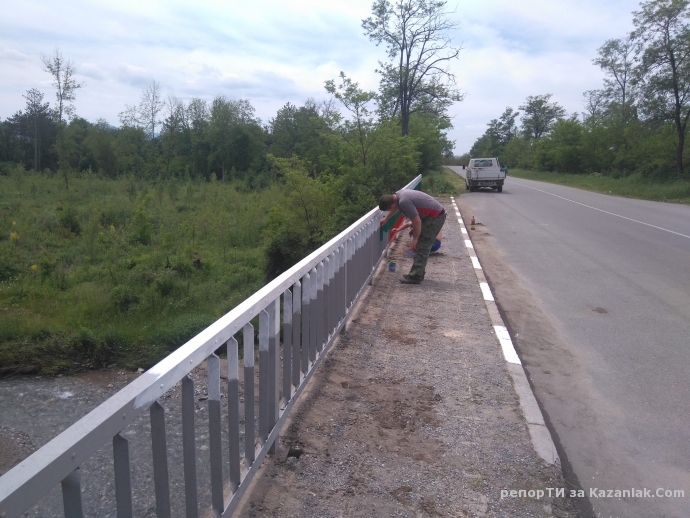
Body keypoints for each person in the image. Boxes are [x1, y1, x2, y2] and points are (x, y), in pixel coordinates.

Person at [379, 190, 446, 284]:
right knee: (421, 246)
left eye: (388, 210)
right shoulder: (397, 196)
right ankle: (418, 273)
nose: (389, 211)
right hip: (431, 215)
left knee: (422, 246)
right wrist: (386, 219)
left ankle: (416, 276)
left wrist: (415, 239)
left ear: (392, 205)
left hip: (435, 217)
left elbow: (417, 221)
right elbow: (395, 208)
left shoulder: (404, 202)